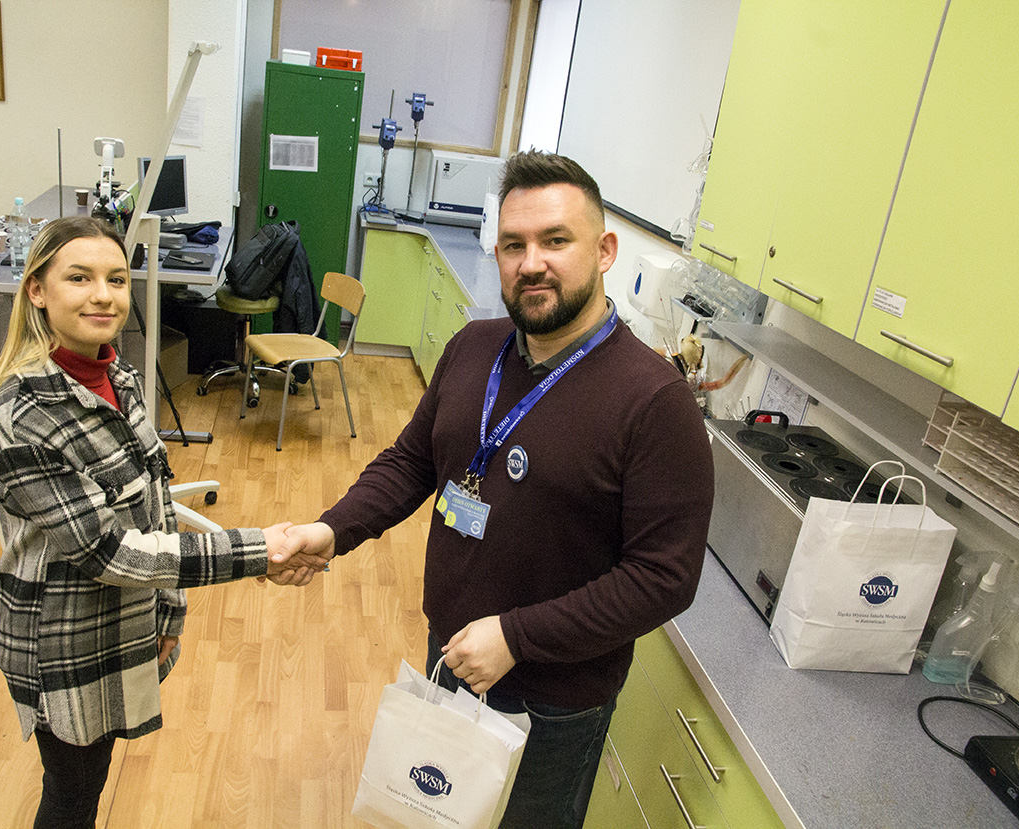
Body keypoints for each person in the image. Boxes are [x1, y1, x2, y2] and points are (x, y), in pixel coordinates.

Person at [275, 151, 715, 828]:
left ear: (604, 251)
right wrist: (332, 530)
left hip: (554, 697)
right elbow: (412, 462)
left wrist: (516, 635)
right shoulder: (475, 347)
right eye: (514, 244)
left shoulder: (654, 401)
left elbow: (665, 578)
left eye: (555, 240)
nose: (530, 263)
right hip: (452, 652)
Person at [0, 216, 320, 828]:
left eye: (116, 279)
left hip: (127, 618)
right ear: (37, 290)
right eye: (79, 278)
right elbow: (106, 551)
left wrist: (168, 612)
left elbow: (156, 505)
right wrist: (256, 551)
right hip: (64, 642)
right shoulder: (22, 414)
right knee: (73, 794)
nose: (103, 296)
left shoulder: (121, 376)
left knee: (91, 779)